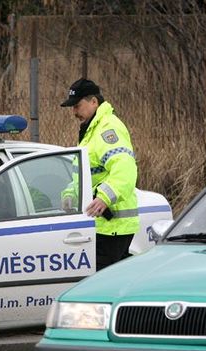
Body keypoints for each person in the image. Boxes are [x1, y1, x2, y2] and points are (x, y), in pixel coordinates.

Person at [60, 78, 139, 271]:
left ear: (93, 102)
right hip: (102, 225)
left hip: (113, 225)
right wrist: (70, 194)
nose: (74, 112)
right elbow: (86, 174)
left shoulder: (107, 129)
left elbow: (125, 169)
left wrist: (104, 197)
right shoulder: (91, 131)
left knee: (101, 284)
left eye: (77, 106)